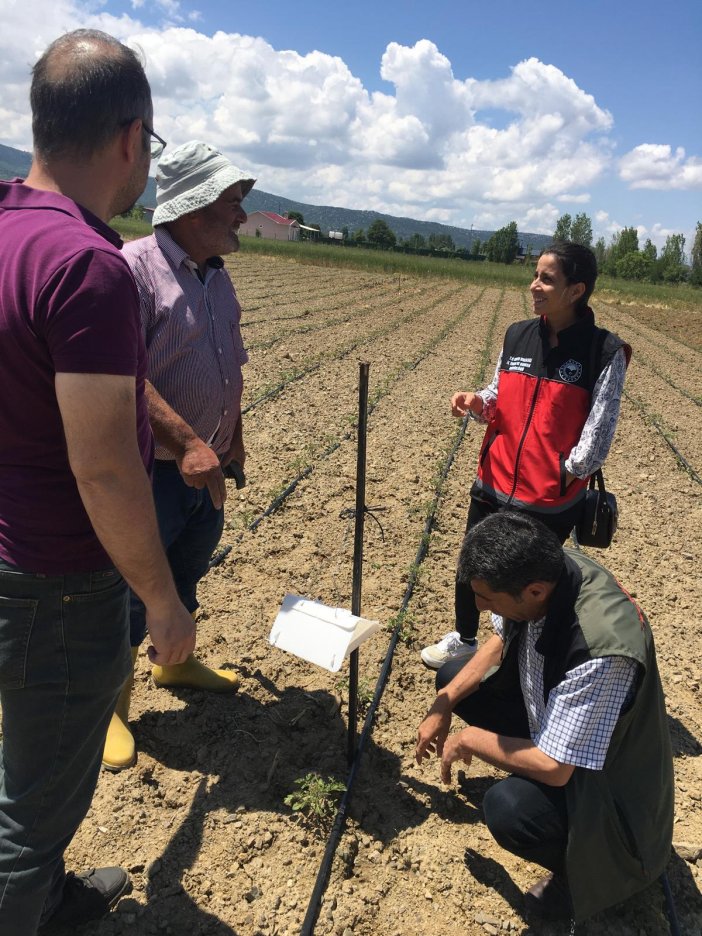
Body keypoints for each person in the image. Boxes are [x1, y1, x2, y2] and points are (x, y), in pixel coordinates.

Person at [0, 30, 197, 935]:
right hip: (60, 585)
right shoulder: (89, 266)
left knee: (29, 768)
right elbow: (106, 462)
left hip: (8, 552)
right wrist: (160, 599)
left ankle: (47, 900)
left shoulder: (7, 230)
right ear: (131, 137)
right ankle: (27, 900)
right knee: (31, 811)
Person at [416, 513, 674, 922]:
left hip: (609, 795)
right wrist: (444, 702)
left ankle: (584, 875)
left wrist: (470, 739)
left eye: (487, 598)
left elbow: (555, 769)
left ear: (534, 591)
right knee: (453, 678)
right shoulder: (548, 571)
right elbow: (501, 639)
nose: (480, 607)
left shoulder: (601, 650)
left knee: (509, 810)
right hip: (556, 722)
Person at [102, 141, 255, 771]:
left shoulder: (215, 275)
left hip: (206, 466)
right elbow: (124, 375)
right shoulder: (131, 270)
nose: (241, 218)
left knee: (188, 566)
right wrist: (188, 442)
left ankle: (175, 663)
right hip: (155, 471)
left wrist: (232, 434)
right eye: (231, 205)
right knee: (133, 587)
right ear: (192, 211)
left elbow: (230, 364)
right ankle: (110, 706)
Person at [421, 241, 632, 668]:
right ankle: (464, 638)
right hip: (493, 481)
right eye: (535, 275)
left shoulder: (603, 351)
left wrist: (565, 472)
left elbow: (599, 431)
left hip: (548, 499)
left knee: (528, 587)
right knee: (474, 565)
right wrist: (477, 401)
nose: (534, 285)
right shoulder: (518, 333)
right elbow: (499, 394)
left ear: (576, 290)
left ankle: (518, 659)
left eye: (546, 279)